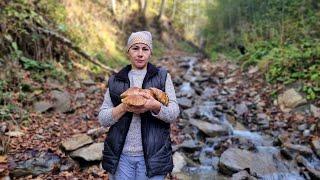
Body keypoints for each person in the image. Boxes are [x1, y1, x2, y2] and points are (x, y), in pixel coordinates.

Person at [98, 31, 180, 180]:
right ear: (128, 51)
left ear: (150, 52)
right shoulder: (116, 80)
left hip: (153, 157)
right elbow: (103, 119)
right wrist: (123, 107)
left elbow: (174, 113)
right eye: (135, 48)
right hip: (121, 157)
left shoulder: (162, 77)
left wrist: (155, 106)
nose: (140, 54)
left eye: (145, 49)